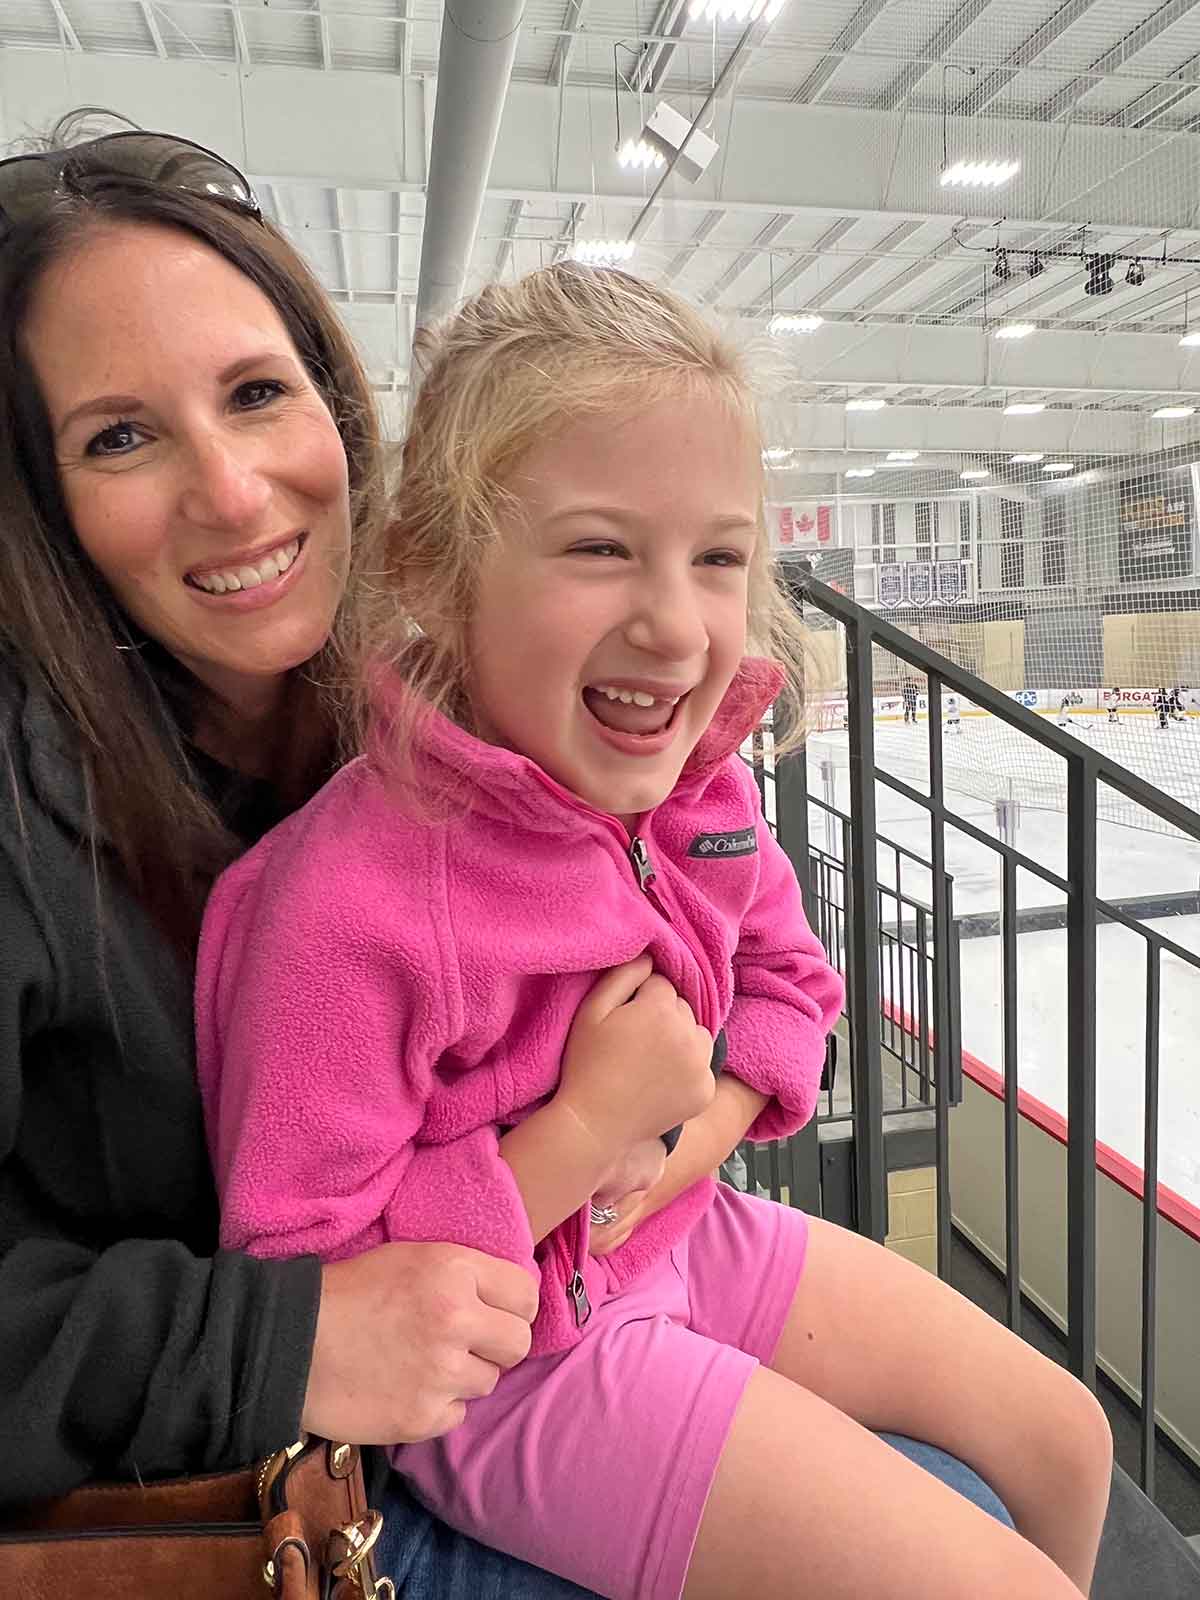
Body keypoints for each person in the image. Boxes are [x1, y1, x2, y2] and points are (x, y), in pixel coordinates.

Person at [197, 265, 1112, 1600]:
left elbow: (792, 978)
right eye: (599, 548)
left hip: (683, 1231)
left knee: (1068, 1436)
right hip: (525, 1370)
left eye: (719, 557)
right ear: (435, 573)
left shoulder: (697, 787)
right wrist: (578, 1137)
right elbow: (308, 1279)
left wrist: (695, 1130)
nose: (677, 625)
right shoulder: (353, 900)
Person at [0, 114, 631, 1598]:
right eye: (121, 435)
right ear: (43, 508)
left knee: (1025, 1463)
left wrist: (659, 1108)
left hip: (512, 1364)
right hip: (253, 1497)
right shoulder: (22, 810)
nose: (230, 494)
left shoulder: (424, 723)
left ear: (337, 411)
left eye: (254, 393)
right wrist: (280, 1340)